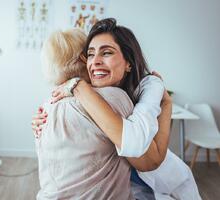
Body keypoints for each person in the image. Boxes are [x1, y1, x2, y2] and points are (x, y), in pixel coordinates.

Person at [33, 18, 201, 199]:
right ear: (81, 60)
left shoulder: (48, 105)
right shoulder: (114, 98)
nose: (95, 61)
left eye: (106, 53)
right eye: (90, 54)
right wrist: (167, 105)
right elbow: (150, 161)